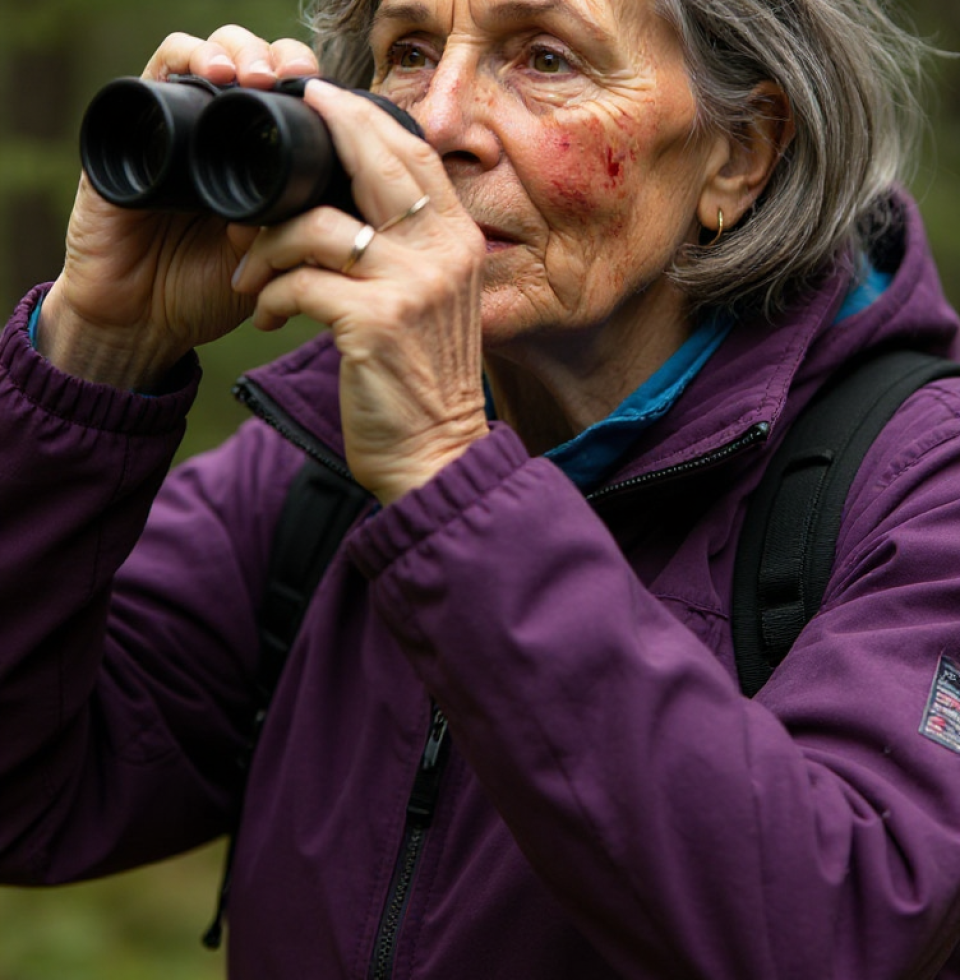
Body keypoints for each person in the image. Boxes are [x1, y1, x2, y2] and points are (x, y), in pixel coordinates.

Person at [3, 0, 960, 975]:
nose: (444, 121)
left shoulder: (921, 482)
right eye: (410, 53)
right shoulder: (319, 469)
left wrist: (449, 477)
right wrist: (97, 349)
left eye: (546, 58)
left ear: (739, 155)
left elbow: (845, 928)